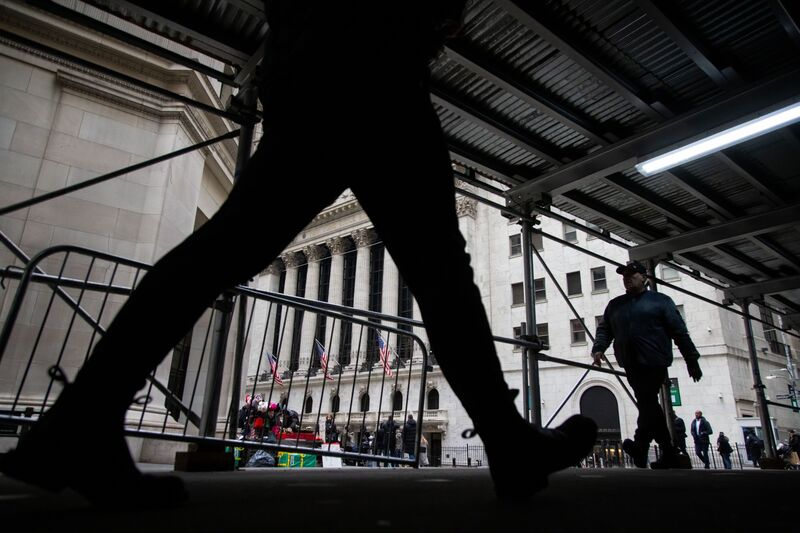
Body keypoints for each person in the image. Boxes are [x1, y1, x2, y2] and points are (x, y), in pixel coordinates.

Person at [0, 2, 597, 505]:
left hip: (318, 61)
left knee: (227, 249)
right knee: (439, 270)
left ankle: (78, 422)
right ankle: (509, 444)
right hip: (371, 62)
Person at [592, 260, 703, 470]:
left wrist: (691, 359)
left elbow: (679, 331)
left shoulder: (661, 301)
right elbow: (605, 329)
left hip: (654, 360)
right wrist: (599, 349)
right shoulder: (616, 305)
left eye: (632, 275)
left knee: (646, 401)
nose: (628, 278)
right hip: (630, 361)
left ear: (645, 278)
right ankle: (652, 450)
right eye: (625, 276)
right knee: (648, 403)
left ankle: (644, 447)